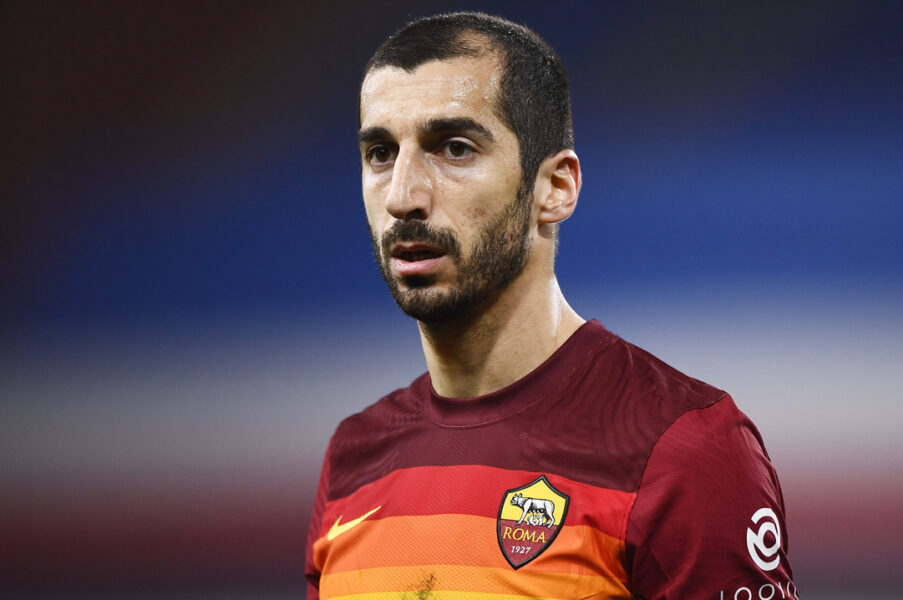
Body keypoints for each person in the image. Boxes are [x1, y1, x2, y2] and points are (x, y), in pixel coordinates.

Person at [305, 12, 796, 600]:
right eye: (381, 153)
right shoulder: (353, 459)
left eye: (454, 148)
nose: (403, 196)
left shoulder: (681, 448)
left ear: (555, 188)